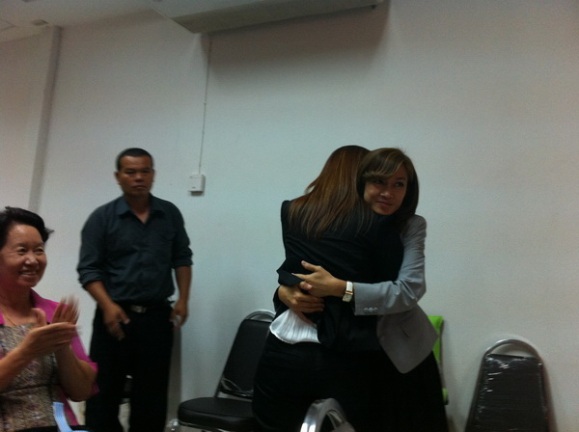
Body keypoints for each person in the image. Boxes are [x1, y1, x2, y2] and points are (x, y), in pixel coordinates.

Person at [253, 147, 448, 432]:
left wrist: (340, 289)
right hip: (347, 348)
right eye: (378, 181)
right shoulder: (334, 225)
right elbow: (296, 270)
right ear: (360, 183)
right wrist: (284, 291)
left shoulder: (406, 225)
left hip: (396, 348)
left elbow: (407, 290)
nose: (387, 192)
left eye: (398, 184)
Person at [77, 148, 193, 432]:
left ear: (153, 174)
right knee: (103, 394)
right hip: (114, 317)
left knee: (151, 398)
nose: (138, 177)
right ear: (118, 176)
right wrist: (107, 306)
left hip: (157, 317)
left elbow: (182, 258)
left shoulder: (169, 214)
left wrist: (183, 299)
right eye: (130, 172)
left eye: (145, 171)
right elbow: (89, 270)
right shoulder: (101, 218)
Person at [0, 206, 97, 432]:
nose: (33, 260)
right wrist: (26, 352)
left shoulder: (55, 312)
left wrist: (62, 347)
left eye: (39, 250)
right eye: (22, 251)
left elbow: (81, 391)